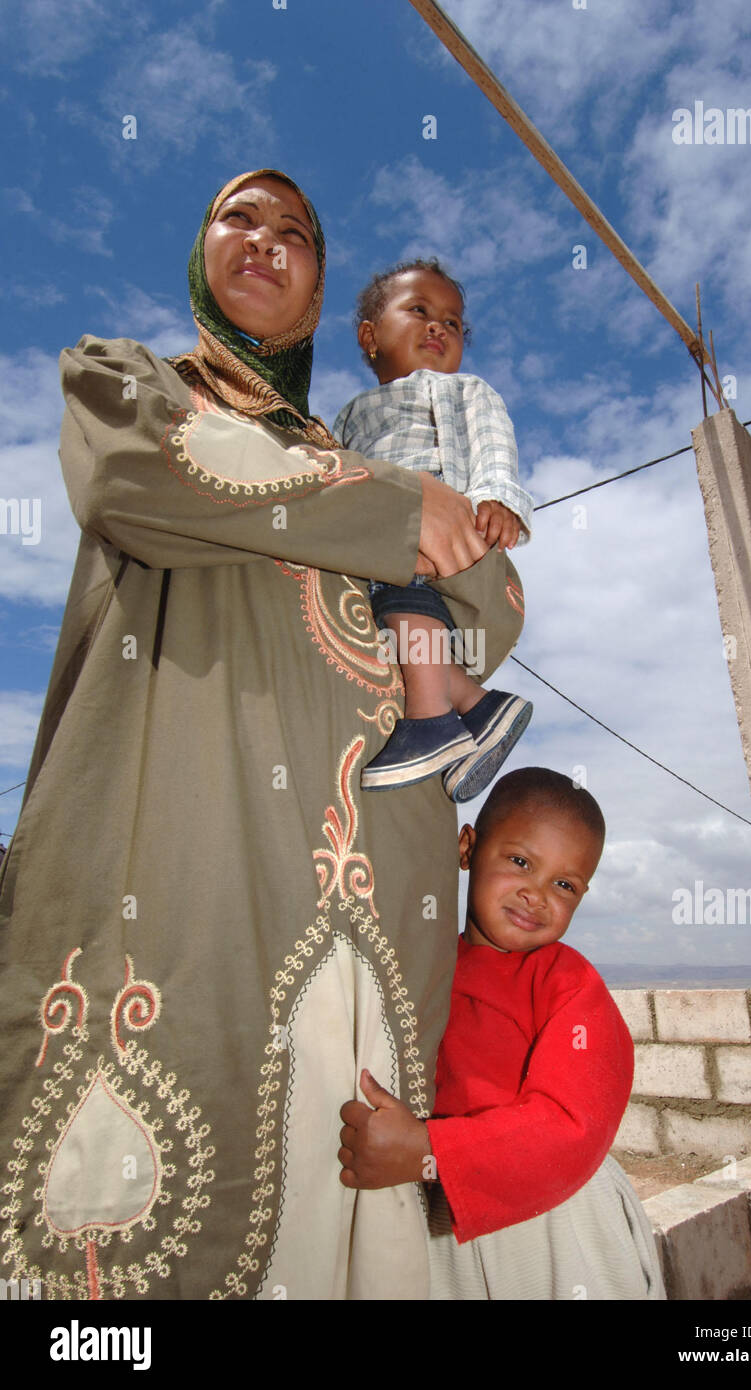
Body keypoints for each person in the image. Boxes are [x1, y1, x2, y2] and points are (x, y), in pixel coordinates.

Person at [0, 170, 526, 1301]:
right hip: (185, 857)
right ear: (201, 251)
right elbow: (141, 481)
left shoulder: (357, 450)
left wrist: (419, 510)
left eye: (296, 231)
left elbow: (491, 608)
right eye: (240, 216)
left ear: (321, 286)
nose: (265, 239)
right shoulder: (134, 385)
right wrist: (390, 510)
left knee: (358, 1229)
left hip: (378, 890)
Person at [338, 767, 666, 1300]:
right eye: (520, 862)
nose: (536, 895)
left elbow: (573, 1126)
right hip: (445, 1219)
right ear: (467, 847)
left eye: (564, 884)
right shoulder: (422, 962)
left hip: (559, 1219)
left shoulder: (568, 984)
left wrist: (426, 1149)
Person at [334, 260, 533, 801]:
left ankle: (429, 722)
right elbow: (331, 468)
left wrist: (497, 497)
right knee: (388, 621)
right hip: (376, 536)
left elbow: (494, 441)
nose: (438, 326)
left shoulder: (463, 390)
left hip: (442, 526)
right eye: (419, 310)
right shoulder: (351, 413)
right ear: (369, 337)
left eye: (452, 321)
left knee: (405, 591)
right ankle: (479, 708)